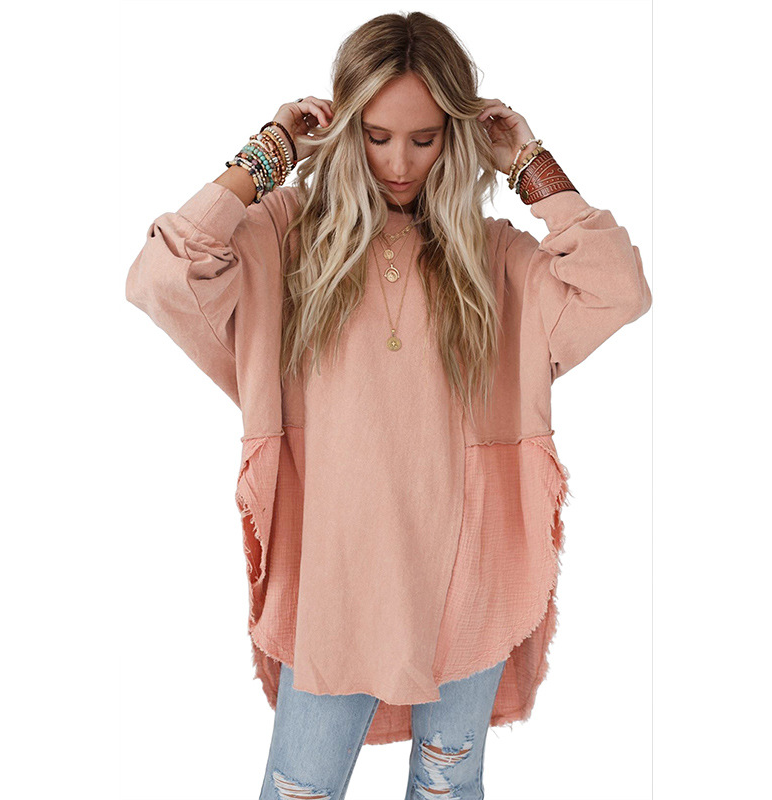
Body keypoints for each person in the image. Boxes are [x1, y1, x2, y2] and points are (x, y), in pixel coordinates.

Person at [125, 11, 652, 800]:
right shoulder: (288, 239)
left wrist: (532, 167)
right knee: (299, 787)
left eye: (424, 139)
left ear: (455, 138)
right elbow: (161, 276)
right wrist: (267, 155)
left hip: (471, 579)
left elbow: (619, 291)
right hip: (337, 582)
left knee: (448, 788)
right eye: (376, 136)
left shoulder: (493, 258)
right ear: (345, 130)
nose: (399, 163)